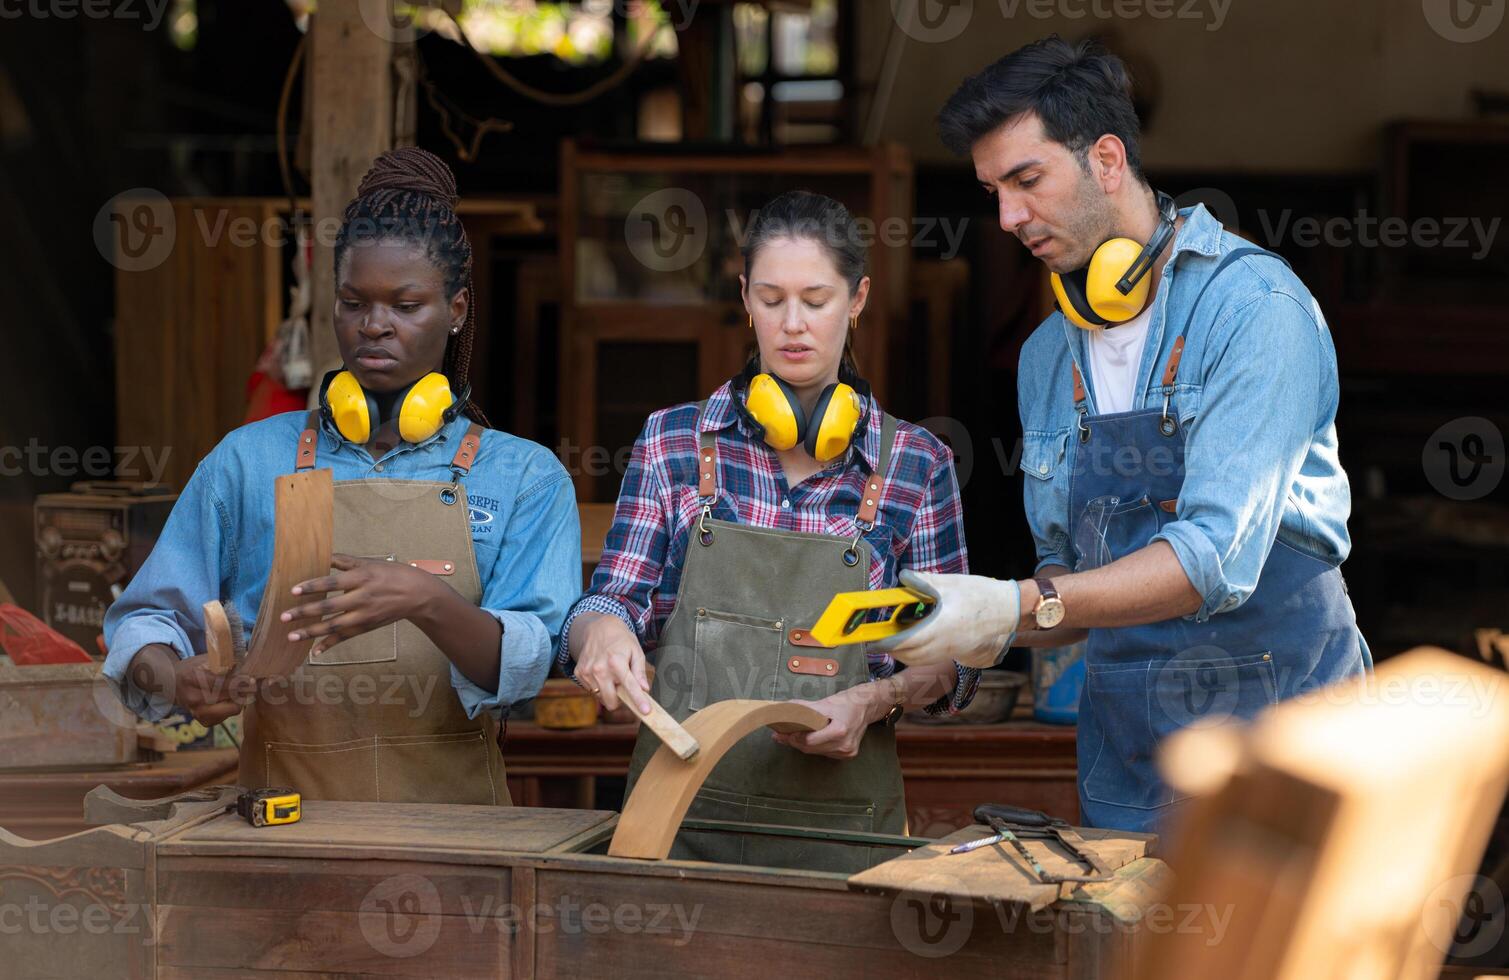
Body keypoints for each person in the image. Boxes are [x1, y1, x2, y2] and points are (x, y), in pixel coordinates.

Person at [879, 37, 1370, 833]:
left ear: (1106, 159)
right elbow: (1065, 590)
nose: (1006, 219)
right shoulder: (1045, 358)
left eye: (1026, 180)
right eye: (992, 191)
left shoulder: (1255, 311)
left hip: (1286, 744)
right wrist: (965, 630)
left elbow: (1210, 559)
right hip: (1129, 757)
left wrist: (1012, 606)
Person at [102, 147, 580, 804]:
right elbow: (148, 620)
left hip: (461, 840)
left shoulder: (523, 476)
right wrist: (170, 675)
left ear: (458, 309)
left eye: (406, 305)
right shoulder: (248, 462)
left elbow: (527, 669)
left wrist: (426, 600)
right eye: (354, 303)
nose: (374, 326)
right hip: (281, 832)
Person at [561, 191, 978, 870]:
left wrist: (877, 698)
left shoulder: (914, 464)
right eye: (770, 297)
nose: (792, 325)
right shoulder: (673, 441)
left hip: (843, 834)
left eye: (815, 299)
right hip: (678, 825)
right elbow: (613, 600)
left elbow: (951, 660)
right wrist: (600, 632)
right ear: (744, 298)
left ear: (857, 298)